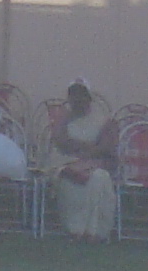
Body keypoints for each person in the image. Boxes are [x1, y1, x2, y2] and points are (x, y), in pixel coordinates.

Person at [47, 78, 118, 243]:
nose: (77, 100)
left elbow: (107, 146)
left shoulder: (103, 120)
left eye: (81, 95)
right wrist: (87, 147)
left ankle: (96, 232)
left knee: (100, 178)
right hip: (67, 164)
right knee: (72, 177)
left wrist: (86, 153)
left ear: (89, 98)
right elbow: (61, 141)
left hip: (95, 163)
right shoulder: (63, 119)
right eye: (73, 96)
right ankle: (76, 229)